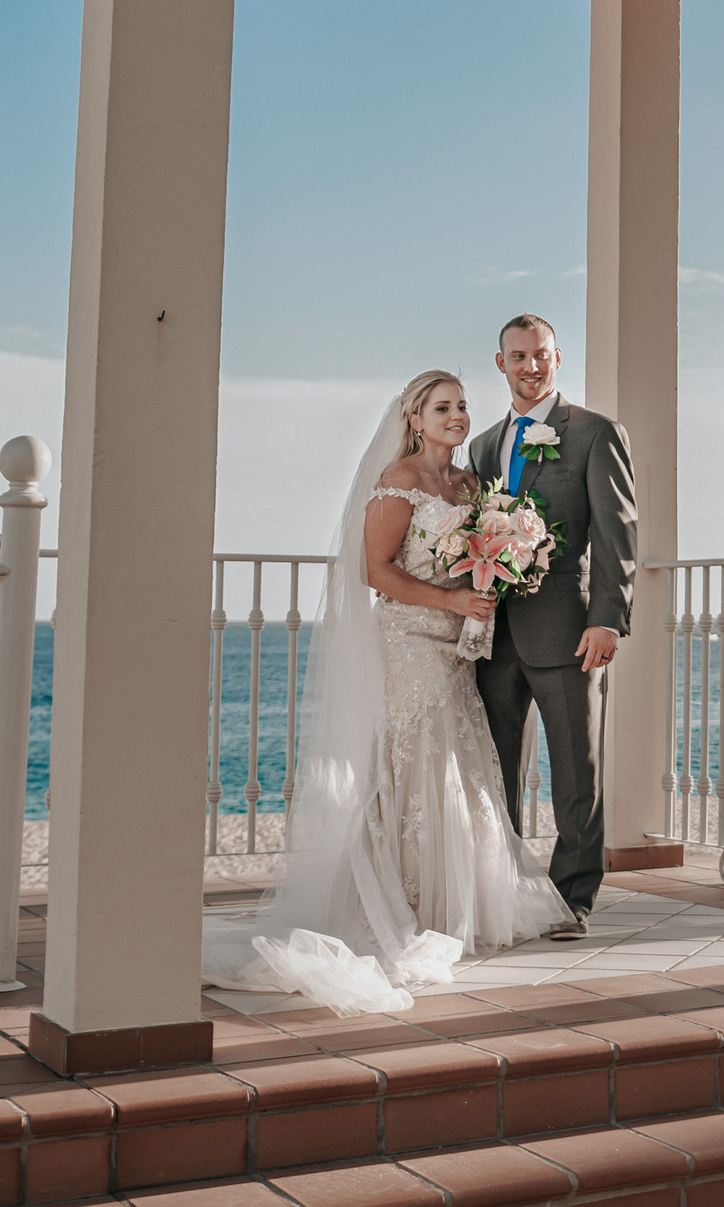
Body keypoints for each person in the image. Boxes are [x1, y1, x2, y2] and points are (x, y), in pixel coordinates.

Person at [201, 371, 567, 1013]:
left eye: (462, 406)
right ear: (415, 417)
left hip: (456, 647)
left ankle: (459, 901)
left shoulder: (473, 486)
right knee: (416, 759)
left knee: (457, 757)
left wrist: (505, 567)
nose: (457, 416)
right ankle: (405, 901)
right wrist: (451, 598)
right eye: (443, 407)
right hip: (407, 641)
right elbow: (375, 571)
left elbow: (476, 555)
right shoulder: (399, 481)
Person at [467, 314, 638, 940]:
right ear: (500, 362)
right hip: (493, 634)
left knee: (575, 768)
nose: (529, 367)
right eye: (518, 357)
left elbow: (618, 535)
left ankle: (572, 900)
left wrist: (608, 621)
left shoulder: (594, 433)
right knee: (495, 769)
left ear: (557, 358)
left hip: (568, 627)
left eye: (539, 355)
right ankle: (505, 890)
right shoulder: (483, 445)